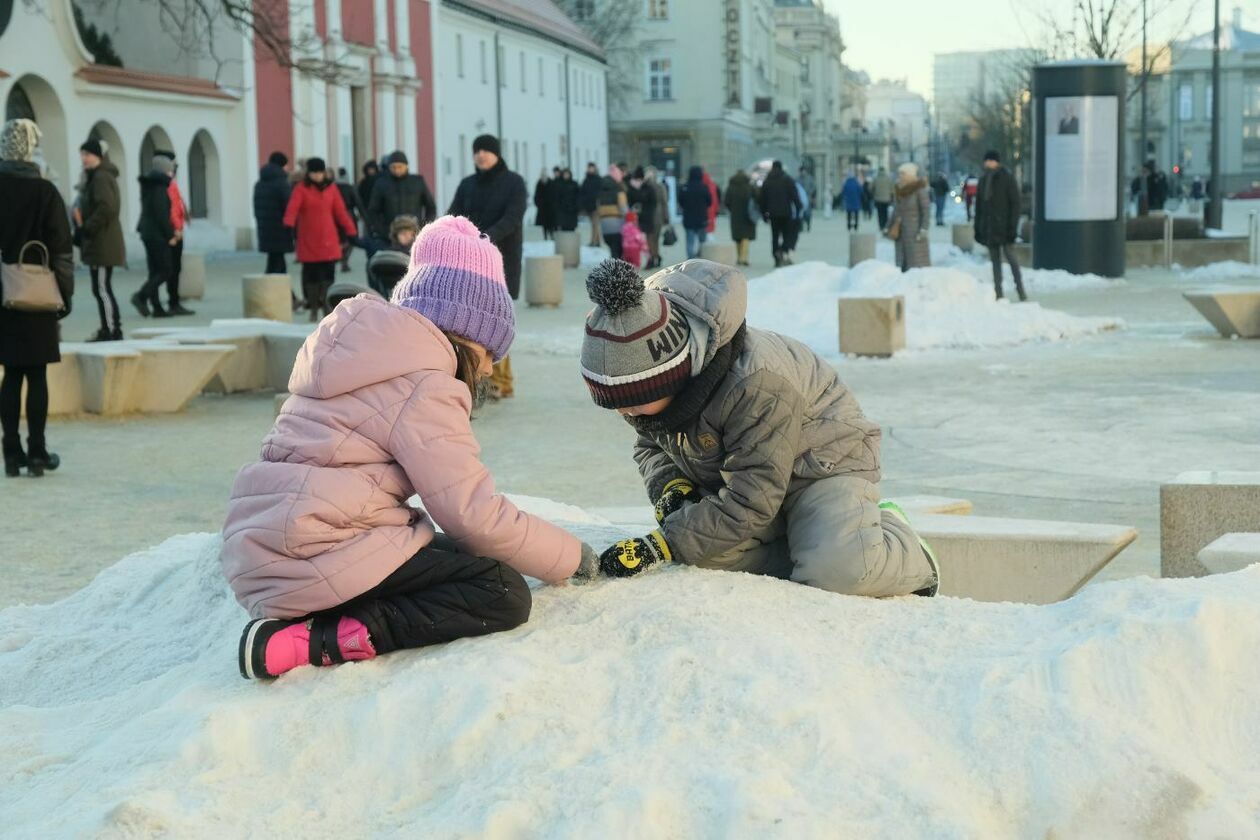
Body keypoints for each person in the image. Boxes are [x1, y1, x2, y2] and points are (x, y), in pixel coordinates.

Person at [223, 215, 597, 680]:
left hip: (266, 546)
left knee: (462, 558)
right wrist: (572, 558)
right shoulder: (426, 383)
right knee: (500, 589)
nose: (485, 373)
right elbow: (471, 514)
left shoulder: (361, 348)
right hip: (309, 556)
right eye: (487, 357)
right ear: (465, 336)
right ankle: (304, 643)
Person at [576, 258, 940, 597]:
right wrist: (670, 486)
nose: (624, 411)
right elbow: (651, 446)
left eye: (632, 400)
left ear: (671, 378)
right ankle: (812, 543)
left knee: (839, 572)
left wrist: (662, 543)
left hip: (820, 466)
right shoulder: (649, 395)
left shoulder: (755, 383)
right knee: (703, 552)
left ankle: (895, 541)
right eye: (613, 403)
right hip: (747, 476)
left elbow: (752, 497)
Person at [0, 119, 74, 478]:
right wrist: (66, 295)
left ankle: (11, 454)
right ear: (29, 148)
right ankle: (39, 453)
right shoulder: (45, 192)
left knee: (11, 373)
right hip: (39, 295)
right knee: (37, 374)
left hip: (3, 296)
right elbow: (62, 249)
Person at [447, 134, 528, 401]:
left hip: (501, 263)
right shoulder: (467, 185)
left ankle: (502, 381)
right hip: (468, 265)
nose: (481, 154)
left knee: (498, 321)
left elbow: (513, 218)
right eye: (477, 150)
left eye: (486, 150)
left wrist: (482, 239)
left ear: (496, 154)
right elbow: (452, 216)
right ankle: (480, 379)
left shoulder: (514, 182)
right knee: (473, 322)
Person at [283, 157, 357, 321]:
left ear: (324, 172)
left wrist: (350, 229)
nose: (317, 176)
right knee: (311, 275)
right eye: (314, 173)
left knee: (328, 275)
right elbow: (292, 208)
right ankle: (313, 306)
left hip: (328, 239)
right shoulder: (301, 189)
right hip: (308, 240)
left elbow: (340, 212)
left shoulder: (331, 189)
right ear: (308, 173)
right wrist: (288, 223)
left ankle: (326, 305)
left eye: (320, 172)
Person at [77, 137, 126, 341]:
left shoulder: (100, 178)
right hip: (101, 241)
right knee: (101, 288)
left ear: (97, 156)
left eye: (87, 155)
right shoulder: (98, 176)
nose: (83, 159)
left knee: (102, 288)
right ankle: (109, 327)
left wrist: (86, 228)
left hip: (103, 242)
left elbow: (106, 207)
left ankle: (111, 330)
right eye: (82, 155)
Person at [974, 150, 1025, 302]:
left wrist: (1012, 227)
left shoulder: (1007, 178)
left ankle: (1020, 290)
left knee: (1012, 260)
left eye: (989, 161)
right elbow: (979, 207)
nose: (986, 164)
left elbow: (1015, 204)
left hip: (1004, 226)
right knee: (995, 262)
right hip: (990, 227)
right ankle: (998, 292)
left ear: (995, 161)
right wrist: (978, 228)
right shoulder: (983, 180)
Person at [131, 155, 177, 318]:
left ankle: (157, 307)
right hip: (156, 234)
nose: (172, 172)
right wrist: (170, 234)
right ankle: (141, 296)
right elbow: (161, 214)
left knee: (155, 270)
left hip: (148, 232)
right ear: (165, 170)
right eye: (170, 169)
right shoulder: (159, 187)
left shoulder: (151, 185)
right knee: (165, 270)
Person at [153, 151, 194, 316]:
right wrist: (176, 230)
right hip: (172, 232)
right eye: (173, 164)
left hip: (174, 230)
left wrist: (185, 216)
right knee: (169, 269)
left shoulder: (169, 182)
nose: (175, 167)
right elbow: (171, 209)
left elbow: (178, 205)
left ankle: (170, 302)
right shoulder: (166, 184)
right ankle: (169, 302)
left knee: (173, 269)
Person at [367, 150, 436, 244]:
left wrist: (424, 228)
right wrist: (382, 231)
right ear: (389, 167)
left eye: (400, 167)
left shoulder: (417, 182)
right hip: (390, 237)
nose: (397, 170)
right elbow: (373, 211)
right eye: (393, 167)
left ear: (406, 166)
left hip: (414, 235)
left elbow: (431, 207)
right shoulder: (381, 184)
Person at [254, 151, 294, 276]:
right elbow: (289, 206)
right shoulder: (282, 183)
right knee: (278, 263)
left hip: (265, 228)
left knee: (273, 260)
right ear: (282, 165)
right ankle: (279, 291)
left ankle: (283, 291)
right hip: (279, 229)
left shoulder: (260, 183)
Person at [889, 162, 931, 272]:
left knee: (917, 261)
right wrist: (889, 226)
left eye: (903, 174)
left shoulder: (919, 190)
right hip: (901, 230)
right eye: (899, 174)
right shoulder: (899, 190)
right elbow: (895, 210)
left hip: (914, 231)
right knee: (902, 261)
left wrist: (923, 228)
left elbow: (925, 210)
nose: (900, 176)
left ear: (910, 175)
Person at [758, 160, 801, 267]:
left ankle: (776, 257)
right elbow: (795, 196)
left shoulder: (767, 181)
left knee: (775, 236)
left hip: (773, 214)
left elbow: (762, 200)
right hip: (786, 213)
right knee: (787, 234)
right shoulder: (788, 179)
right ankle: (783, 250)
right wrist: (798, 207)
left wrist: (764, 214)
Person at [367, 215, 420, 299]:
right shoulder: (388, 255)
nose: (407, 236)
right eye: (403, 233)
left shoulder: (418, 253)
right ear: (395, 235)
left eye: (410, 233)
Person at [595, 163, 629, 260]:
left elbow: (597, 207)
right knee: (619, 252)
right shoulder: (619, 189)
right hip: (618, 224)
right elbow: (623, 208)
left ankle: (613, 268)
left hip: (605, 225)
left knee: (612, 250)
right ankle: (618, 272)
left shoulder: (601, 190)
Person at [724, 169, 756, 266]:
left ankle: (739, 257)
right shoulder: (749, 186)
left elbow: (726, 202)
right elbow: (756, 199)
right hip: (748, 216)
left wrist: (732, 209)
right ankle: (744, 258)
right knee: (745, 237)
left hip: (735, 216)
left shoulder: (730, 187)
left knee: (738, 237)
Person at [678, 165, 712, 259]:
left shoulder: (685, 187)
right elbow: (710, 202)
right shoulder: (704, 187)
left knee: (690, 241)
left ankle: (690, 260)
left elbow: (680, 202)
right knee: (702, 241)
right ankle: (701, 258)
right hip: (702, 218)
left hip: (688, 219)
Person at [335, 167, 365, 273]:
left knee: (340, 239)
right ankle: (345, 260)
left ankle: (340, 256)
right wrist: (363, 216)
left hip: (335, 217)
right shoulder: (350, 187)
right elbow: (358, 202)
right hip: (349, 215)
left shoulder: (334, 187)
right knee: (351, 240)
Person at [642, 167, 668, 268]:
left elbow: (664, 203)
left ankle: (653, 258)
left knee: (653, 239)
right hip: (647, 216)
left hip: (657, 216)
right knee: (650, 239)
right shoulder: (644, 186)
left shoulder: (659, 187)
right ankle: (655, 257)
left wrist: (666, 217)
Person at [580, 161, 603, 246]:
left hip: (596, 205)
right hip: (588, 205)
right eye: (589, 168)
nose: (590, 169)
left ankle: (594, 241)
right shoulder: (586, 180)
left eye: (591, 168)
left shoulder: (598, 179)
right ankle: (597, 241)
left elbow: (601, 192)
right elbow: (583, 192)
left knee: (595, 224)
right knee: (593, 224)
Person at [554, 167, 580, 232]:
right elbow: (557, 198)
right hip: (563, 211)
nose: (566, 176)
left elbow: (578, 196)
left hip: (572, 210)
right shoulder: (560, 185)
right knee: (564, 229)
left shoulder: (574, 184)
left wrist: (576, 206)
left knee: (572, 229)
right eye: (565, 174)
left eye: (567, 174)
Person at [533, 168, 555, 240]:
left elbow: (554, 194)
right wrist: (538, 204)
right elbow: (536, 195)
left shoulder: (551, 183)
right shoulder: (539, 183)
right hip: (542, 208)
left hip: (550, 207)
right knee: (543, 224)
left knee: (551, 223)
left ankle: (551, 235)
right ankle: (545, 237)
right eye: (542, 174)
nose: (543, 176)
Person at [797, 166, 817, 232]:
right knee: (800, 213)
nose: (802, 172)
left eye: (803, 171)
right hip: (800, 198)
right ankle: (801, 227)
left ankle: (808, 225)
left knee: (808, 213)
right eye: (801, 171)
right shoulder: (797, 179)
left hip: (808, 197)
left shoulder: (810, 178)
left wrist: (811, 195)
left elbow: (814, 187)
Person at [701, 168, 719, 235]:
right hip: (711, 210)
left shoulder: (700, 185)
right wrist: (716, 209)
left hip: (701, 211)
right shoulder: (712, 185)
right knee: (709, 231)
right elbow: (715, 199)